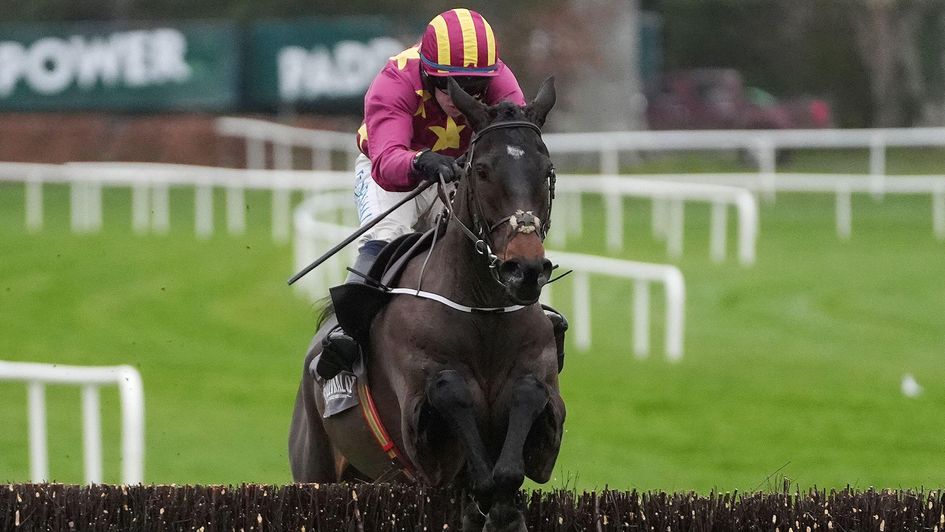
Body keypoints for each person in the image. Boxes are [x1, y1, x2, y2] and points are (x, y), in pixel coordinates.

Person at [316, 8, 568, 380]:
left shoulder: (499, 78)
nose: (463, 96)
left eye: (475, 86)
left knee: (488, 243)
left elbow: (515, 135)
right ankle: (343, 339)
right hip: (390, 173)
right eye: (453, 85)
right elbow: (386, 163)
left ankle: (527, 326)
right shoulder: (393, 82)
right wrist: (422, 162)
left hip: (459, 174)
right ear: (428, 73)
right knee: (385, 239)